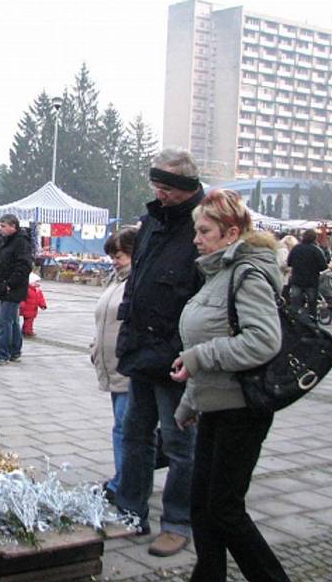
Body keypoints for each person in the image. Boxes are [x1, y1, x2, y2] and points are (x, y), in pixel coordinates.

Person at [171, 189, 290, 582]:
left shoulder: (246, 273)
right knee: (202, 506)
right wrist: (191, 400)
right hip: (217, 404)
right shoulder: (217, 272)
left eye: (205, 230)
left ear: (231, 232)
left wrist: (199, 359)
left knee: (224, 508)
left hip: (243, 408)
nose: (196, 238)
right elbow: (202, 343)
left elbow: (262, 341)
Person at [114, 148, 205, 557]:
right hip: (141, 349)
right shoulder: (151, 221)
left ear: (186, 188)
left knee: (179, 443)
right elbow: (138, 277)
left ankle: (177, 521)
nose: (160, 194)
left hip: (175, 357)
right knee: (135, 434)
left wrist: (185, 350)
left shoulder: (203, 225)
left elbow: (205, 298)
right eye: (157, 186)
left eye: (167, 188)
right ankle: (131, 510)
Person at [90, 226, 138, 504]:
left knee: (126, 428)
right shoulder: (116, 279)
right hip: (111, 364)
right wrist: (94, 347)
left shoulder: (137, 281)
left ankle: (125, 484)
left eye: (119, 255)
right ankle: (124, 479)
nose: (114, 261)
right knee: (122, 427)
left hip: (127, 367)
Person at [0, 213, 33, 366]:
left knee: (5, 321)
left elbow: (24, 265)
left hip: (11, 287)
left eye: (3, 226)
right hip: (6, 286)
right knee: (12, 321)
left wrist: (10, 283)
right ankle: (15, 351)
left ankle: (3, 353)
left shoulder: (21, 242)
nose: (1, 229)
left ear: (13, 226)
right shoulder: (9, 241)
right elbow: (8, 259)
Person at [287, 229, 327, 319]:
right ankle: (311, 322)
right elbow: (323, 266)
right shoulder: (316, 250)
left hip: (297, 280)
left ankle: (294, 321)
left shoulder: (296, 248)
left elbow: (289, 262)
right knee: (312, 305)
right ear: (314, 238)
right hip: (311, 281)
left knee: (295, 304)